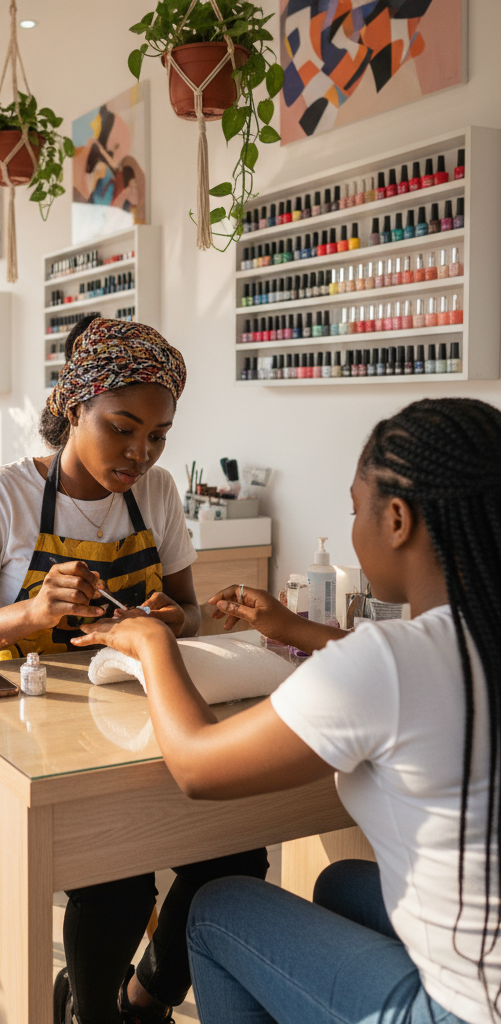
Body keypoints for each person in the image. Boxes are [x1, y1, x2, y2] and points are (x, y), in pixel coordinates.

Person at [71, 397, 501, 1024]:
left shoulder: (388, 662)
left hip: (471, 1008)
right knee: (340, 886)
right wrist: (297, 630)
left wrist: (153, 645)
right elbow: (410, 670)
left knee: (219, 907)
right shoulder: (458, 640)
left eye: (355, 510)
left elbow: (197, 767)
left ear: (398, 520)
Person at [0, 316, 269, 1024]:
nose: (141, 453)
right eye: (122, 428)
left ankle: (146, 1000)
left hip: (147, 717)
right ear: (75, 407)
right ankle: (89, 1010)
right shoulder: (2, 497)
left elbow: (189, 612)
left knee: (235, 854)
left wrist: (172, 619)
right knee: (118, 879)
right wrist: (29, 612)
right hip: (44, 729)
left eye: (159, 435)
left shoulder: (157, 493)